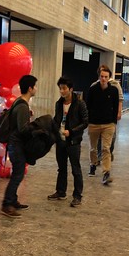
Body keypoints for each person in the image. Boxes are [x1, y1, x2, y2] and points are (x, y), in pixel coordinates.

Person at [48, 77, 88, 207]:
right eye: (60, 88)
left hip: (73, 141)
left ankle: (77, 196)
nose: (62, 91)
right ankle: (61, 192)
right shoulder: (59, 104)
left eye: (64, 88)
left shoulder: (79, 103)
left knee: (76, 169)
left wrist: (71, 131)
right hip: (61, 141)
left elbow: (85, 122)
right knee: (61, 168)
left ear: (70, 89)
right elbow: (56, 120)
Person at [1, 74, 37, 218]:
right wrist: (35, 128)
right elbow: (23, 129)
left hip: (14, 144)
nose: (36, 88)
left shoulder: (19, 103)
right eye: (35, 86)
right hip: (17, 146)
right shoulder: (22, 106)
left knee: (18, 173)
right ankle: (7, 204)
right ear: (30, 88)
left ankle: (13, 200)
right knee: (17, 175)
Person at [86, 65, 119, 185]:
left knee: (106, 148)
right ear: (99, 77)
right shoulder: (93, 89)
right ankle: (93, 164)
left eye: (106, 77)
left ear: (109, 78)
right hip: (94, 123)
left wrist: (114, 122)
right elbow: (87, 106)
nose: (103, 79)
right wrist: (88, 120)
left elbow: (116, 107)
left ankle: (106, 173)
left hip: (108, 124)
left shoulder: (114, 90)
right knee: (93, 148)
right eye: (102, 76)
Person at [91, 65, 123, 162]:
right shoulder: (94, 86)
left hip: (110, 117)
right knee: (99, 139)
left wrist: (119, 112)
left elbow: (120, 99)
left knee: (111, 138)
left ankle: (109, 151)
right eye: (101, 75)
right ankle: (101, 156)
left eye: (105, 75)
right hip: (97, 118)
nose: (103, 78)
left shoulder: (115, 85)